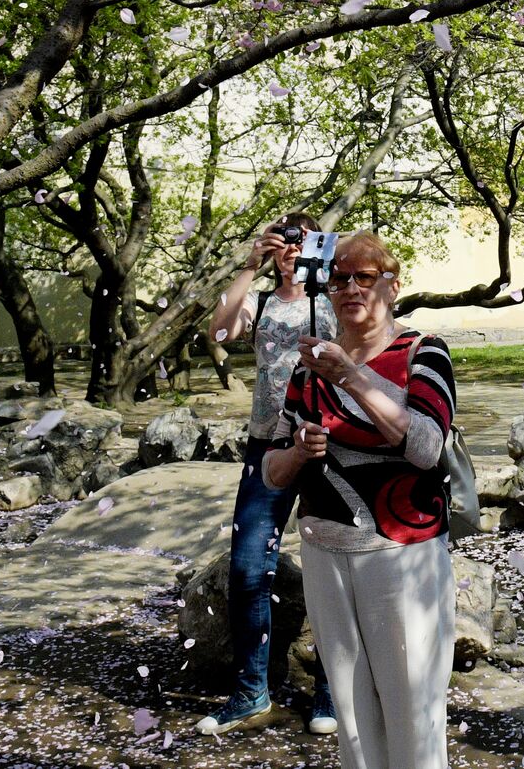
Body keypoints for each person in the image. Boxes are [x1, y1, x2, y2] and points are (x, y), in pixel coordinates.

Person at [263, 231, 457, 769]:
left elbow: (424, 446)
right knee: (351, 720)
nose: (351, 288)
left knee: (412, 713)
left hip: (401, 554)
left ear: (392, 287)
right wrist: (300, 451)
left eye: (365, 277)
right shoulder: (307, 369)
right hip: (325, 552)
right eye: (339, 278)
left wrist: (349, 375)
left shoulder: (422, 353)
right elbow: (271, 472)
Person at [198, 212, 339, 736]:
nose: (290, 249)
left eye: (300, 240)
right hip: (266, 444)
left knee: (329, 565)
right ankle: (250, 690)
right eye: (283, 240)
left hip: (326, 443)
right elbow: (218, 330)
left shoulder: (331, 299)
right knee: (248, 568)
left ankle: (330, 691)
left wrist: (327, 278)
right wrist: (248, 265)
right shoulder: (261, 301)